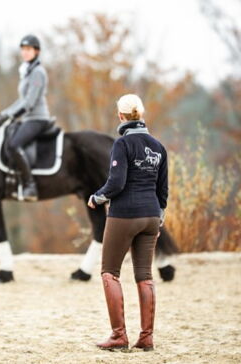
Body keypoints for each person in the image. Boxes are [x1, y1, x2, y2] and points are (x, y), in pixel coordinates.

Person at [88, 94, 168, 352]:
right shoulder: (158, 147)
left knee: (109, 272)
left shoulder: (122, 144)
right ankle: (146, 338)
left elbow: (117, 183)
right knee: (145, 276)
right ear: (141, 115)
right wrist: (159, 217)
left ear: (120, 116)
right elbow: (162, 190)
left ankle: (119, 335)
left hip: (125, 215)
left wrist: (97, 197)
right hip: (151, 216)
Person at [0, 34, 51, 202]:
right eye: (23, 49)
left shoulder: (38, 72)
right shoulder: (27, 71)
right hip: (27, 118)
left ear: (36, 51)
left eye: (28, 49)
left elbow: (30, 103)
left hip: (37, 118)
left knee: (13, 145)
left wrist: (11, 115)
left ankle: (30, 186)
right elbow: (21, 100)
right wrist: (3, 114)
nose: (25, 53)